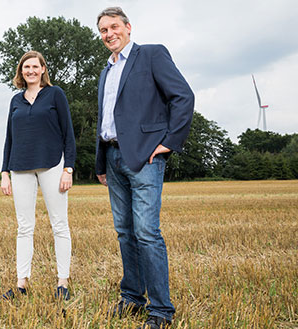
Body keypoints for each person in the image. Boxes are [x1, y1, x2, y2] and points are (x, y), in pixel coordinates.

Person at [94, 7, 194, 329]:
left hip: (145, 158)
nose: (109, 34)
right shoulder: (106, 71)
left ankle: (161, 311)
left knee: (147, 233)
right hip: (112, 157)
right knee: (125, 233)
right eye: (103, 30)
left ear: (128, 27)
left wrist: (168, 142)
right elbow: (106, 120)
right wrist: (101, 162)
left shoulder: (151, 55)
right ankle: (133, 299)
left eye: (114, 27)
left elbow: (183, 97)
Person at [0, 51, 76, 301]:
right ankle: (21, 283)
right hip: (20, 167)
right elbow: (9, 138)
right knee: (24, 227)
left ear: (43, 69)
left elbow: (68, 134)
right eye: (26, 67)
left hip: (53, 164)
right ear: (21, 71)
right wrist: (4, 172)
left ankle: (62, 282)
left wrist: (69, 168)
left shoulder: (56, 95)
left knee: (59, 224)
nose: (30, 70)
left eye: (35, 66)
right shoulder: (15, 100)